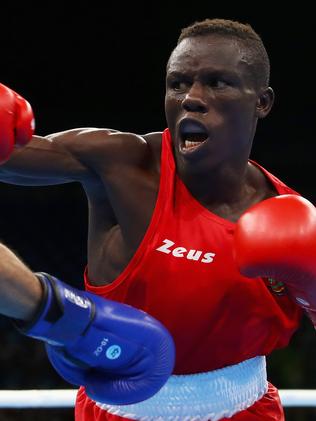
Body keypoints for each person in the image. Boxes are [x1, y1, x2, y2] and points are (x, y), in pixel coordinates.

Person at [0, 17, 315, 420]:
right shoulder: (124, 164)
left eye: (217, 82)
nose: (191, 98)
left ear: (262, 101)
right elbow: (13, 158)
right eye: (178, 83)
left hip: (245, 410)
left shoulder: (289, 215)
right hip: (114, 410)